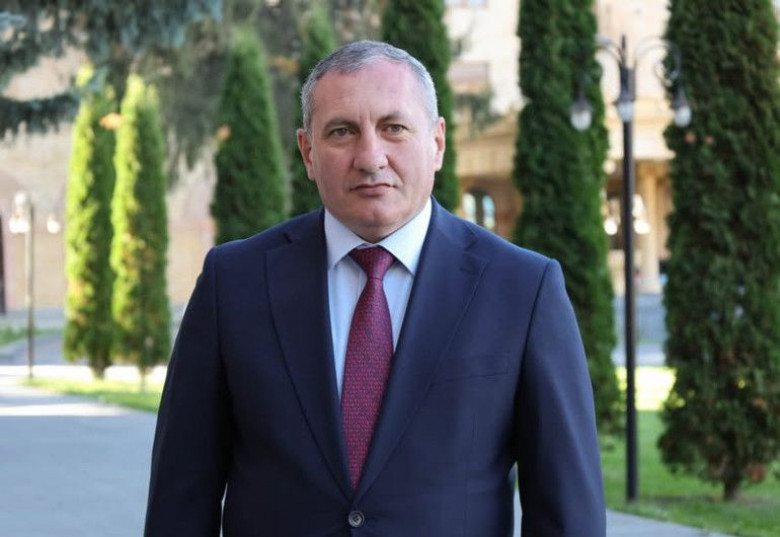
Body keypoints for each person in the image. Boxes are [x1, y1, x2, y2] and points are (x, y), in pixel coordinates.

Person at [144, 40, 605, 537]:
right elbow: (179, 502)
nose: (370, 157)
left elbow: (568, 515)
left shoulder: (523, 289)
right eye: (341, 131)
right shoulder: (233, 284)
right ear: (307, 152)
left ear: (437, 143)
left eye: (394, 128)